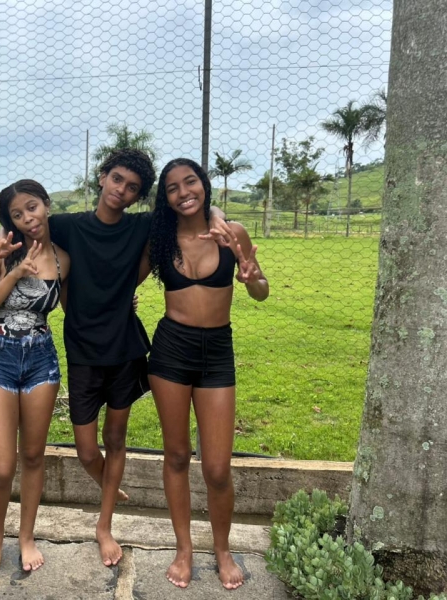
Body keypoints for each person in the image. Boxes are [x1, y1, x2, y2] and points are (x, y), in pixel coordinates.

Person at [0, 149, 233, 568]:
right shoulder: (67, 225)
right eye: (117, 179)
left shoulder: (142, 227)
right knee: (87, 450)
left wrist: (216, 214)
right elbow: (23, 220)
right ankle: (110, 487)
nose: (122, 190)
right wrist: (0, 242)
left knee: (115, 439)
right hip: (82, 351)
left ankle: (104, 526)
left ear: (139, 196)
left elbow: (189, 210)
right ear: (102, 177)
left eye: (133, 187)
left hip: (125, 348)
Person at [146, 158, 269, 590]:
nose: (184, 192)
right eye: (173, 187)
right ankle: (184, 549)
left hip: (217, 353)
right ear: (165, 198)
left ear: (204, 184)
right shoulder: (160, 239)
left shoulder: (232, 233)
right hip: (170, 351)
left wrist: (251, 278)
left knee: (217, 467)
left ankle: (222, 549)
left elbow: (261, 290)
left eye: (190, 182)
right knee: (177, 455)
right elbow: (120, 273)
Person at [0, 179, 70, 574]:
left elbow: (76, 308)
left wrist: (119, 303)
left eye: (32, 207)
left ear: (46, 205)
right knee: (1, 466)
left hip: (41, 360)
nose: (28, 217)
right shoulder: (1, 253)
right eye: (17, 214)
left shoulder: (63, 258)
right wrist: (13, 274)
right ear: (10, 222)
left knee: (32, 455)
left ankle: (26, 537)